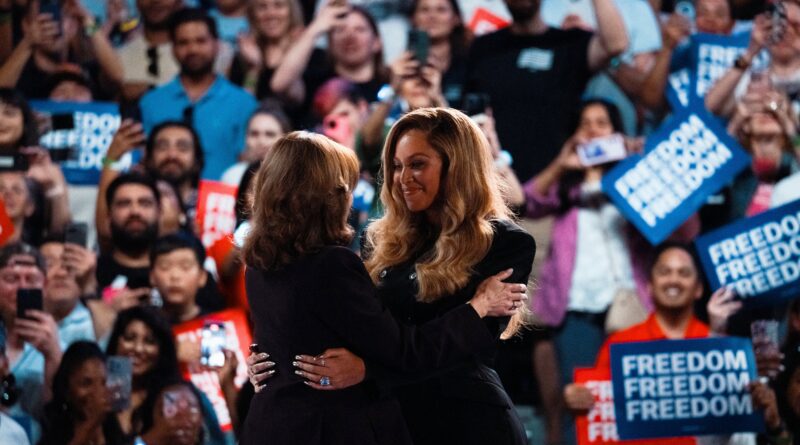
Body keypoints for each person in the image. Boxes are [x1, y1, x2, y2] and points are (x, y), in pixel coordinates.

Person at [249, 108, 537, 445]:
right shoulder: (379, 241)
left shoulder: (504, 243)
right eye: (397, 166)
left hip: (464, 422)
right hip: (389, 422)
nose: (402, 177)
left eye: (417, 164)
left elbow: (462, 350)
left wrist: (368, 372)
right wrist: (279, 359)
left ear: (456, 166)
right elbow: (356, 328)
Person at [464, 0, 628, 183]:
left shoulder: (571, 43)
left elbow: (617, 44)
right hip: (496, 182)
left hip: (556, 185)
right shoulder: (484, 47)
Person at [139, 7, 258, 180]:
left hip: (224, 202)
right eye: (183, 42)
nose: (192, 49)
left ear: (217, 44)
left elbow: (247, 163)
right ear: (172, 48)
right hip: (163, 202)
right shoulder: (150, 103)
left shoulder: (244, 103)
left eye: (201, 41)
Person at [0, 0, 123, 100]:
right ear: (26, 25)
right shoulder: (19, 73)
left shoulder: (86, 69)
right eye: (43, 16)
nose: (53, 25)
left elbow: (116, 77)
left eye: (59, 17)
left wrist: (87, 19)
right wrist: (28, 42)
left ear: (74, 26)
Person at [38, 341, 126, 445]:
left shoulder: (116, 434)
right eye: (86, 383)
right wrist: (92, 423)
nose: (97, 392)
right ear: (66, 390)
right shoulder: (51, 434)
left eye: (103, 383)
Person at [228, 0, 305, 99]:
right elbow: (242, 107)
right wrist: (253, 70)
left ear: (292, 12)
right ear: (253, 15)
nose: (271, 14)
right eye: (262, 7)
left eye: (279, 5)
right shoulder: (242, 58)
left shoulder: (312, 55)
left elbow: (297, 101)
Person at [220, 103, 290, 186]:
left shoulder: (294, 178)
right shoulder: (232, 177)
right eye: (254, 134)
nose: (261, 141)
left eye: (270, 134)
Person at [149, 233, 212, 324]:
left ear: (202, 276)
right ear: (152, 276)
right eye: (165, 266)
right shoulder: (144, 329)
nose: (175, 276)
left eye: (185, 266)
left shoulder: (217, 326)